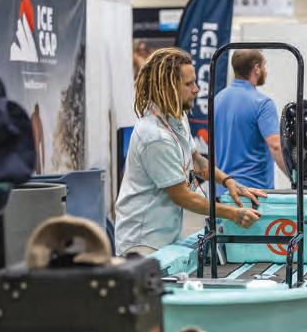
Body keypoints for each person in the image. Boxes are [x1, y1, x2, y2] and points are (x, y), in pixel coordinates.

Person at [115, 48, 265, 256]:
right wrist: (233, 213)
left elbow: (196, 161)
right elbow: (183, 196)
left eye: (195, 82)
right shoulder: (155, 137)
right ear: (168, 87)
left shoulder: (178, 118)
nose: (196, 89)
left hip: (165, 237)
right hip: (142, 243)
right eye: (188, 84)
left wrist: (228, 181)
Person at [214, 50, 286, 194]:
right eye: (264, 66)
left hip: (222, 191)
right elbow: (276, 146)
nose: (266, 70)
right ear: (256, 68)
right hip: (252, 193)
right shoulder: (263, 103)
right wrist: (296, 179)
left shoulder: (217, 99)